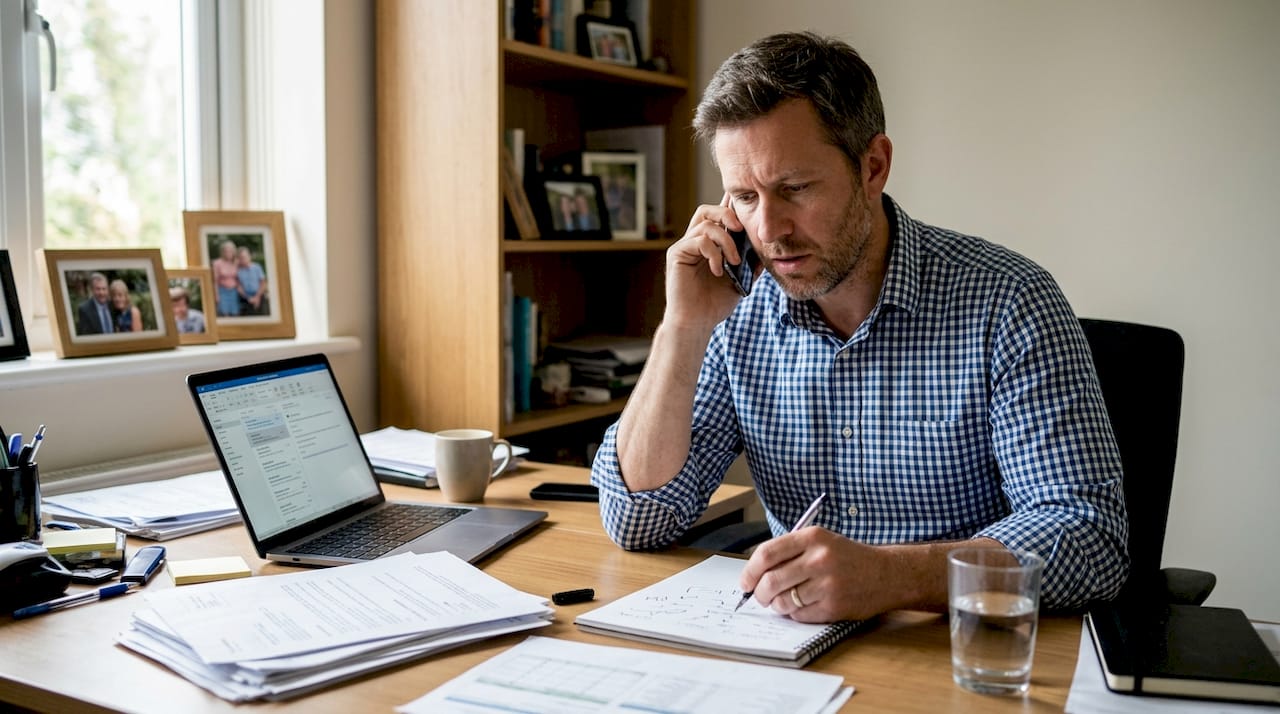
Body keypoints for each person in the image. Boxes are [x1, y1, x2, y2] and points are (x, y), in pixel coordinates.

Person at [590, 32, 1128, 623]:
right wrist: (681, 329)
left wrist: (893, 576)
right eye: (744, 195)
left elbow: (1089, 536)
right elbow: (639, 520)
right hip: (791, 657)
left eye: (794, 188)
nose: (768, 229)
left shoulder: (1009, 301)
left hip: (959, 652)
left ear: (874, 167)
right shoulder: (732, 310)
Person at [236, 246, 269, 316]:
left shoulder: (257, 267)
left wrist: (257, 297)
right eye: (240, 258)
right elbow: (239, 287)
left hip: (260, 296)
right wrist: (248, 298)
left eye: (244, 257)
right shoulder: (238, 271)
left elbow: (263, 283)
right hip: (246, 298)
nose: (243, 259)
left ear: (249, 256)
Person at [212, 240, 241, 317]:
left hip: (234, 291)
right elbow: (215, 281)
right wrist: (216, 295)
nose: (228, 253)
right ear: (223, 252)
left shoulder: (236, 262)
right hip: (223, 291)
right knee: (225, 314)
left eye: (231, 251)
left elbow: (239, 278)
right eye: (226, 251)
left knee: (235, 314)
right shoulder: (217, 263)